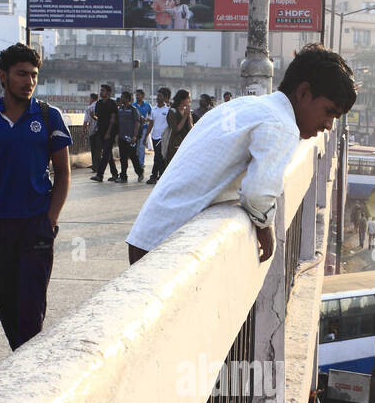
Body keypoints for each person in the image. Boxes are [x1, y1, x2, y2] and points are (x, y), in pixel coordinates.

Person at [126, 44, 356, 265]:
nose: (328, 125)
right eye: (329, 112)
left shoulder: (245, 106)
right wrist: (265, 227)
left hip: (147, 233)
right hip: (168, 245)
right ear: (304, 93)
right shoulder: (281, 124)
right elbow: (257, 196)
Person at [0, 43, 72, 351]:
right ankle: (22, 372)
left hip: (35, 227)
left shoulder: (49, 117)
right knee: (9, 312)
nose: (29, 81)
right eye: (21, 74)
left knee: (31, 313)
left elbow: (63, 174)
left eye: (34, 75)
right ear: (3, 76)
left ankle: (32, 382)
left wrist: (49, 221)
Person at [88, 83, 119, 182]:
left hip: (109, 132)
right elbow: (98, 118)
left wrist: (109, 132)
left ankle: (100, 175)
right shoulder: (99, 103)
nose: (101, 92)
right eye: (101, 90)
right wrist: (93, 116)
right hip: (100, 131)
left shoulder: (112, 104)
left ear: (108, 93)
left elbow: (113, 119)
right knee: (108, 153)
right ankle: (115, 174)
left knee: (105, 154)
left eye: (103, 91)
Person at [160, 89, 195, 167]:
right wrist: (185, 116)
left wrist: (188, 116)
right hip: (175, 144)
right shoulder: (172, 112)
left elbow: (191, 129)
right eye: (188, 98)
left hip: (186, 143)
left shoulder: (187, 111)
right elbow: (176, 130)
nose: (190, 100)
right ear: (182, 100)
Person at [113, 90, 143, 182]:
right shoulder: (120, 110)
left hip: (131, 138)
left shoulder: (133, 110)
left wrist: (134, 136)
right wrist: (117, 135)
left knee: (133, 156)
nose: (121, 98)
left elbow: (137, 123)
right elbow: (117, 123)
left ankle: (140, 172)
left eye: (122, 97)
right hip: (122, 137)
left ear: (127, 98)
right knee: (123, 158)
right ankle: (123, 176)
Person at [146, 88, 172, 184]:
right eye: (158, 96)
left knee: (158, 157)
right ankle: (161, 175)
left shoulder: (168, 110)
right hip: (155, 137)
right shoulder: (154, 109)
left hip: (163, 138)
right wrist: (146, 135)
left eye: (160, 96)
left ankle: (154, 176)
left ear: (165, 98)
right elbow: (151, 123)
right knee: (159, 157)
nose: (157, 97)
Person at [133, 88, 153, 177]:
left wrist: (147, 120)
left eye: (139, 95)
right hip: (134, 129)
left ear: (143, 96)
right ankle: (137, 163)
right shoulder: (133, 105)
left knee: (141, 146)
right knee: (136, 147)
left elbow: (152, 116)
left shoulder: (147, 105)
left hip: (144, 128)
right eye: (136, 95)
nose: (137, 96)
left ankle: (141, 163)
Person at [85, 93, 101, 172]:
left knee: (94, 149)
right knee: (98, 149)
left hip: (92, 131)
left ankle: (95, 166)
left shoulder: (89, 108)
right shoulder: (101, 106)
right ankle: (98, 165)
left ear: (92, 98)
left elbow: (86, 121)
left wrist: (83, 131)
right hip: (100, 131)